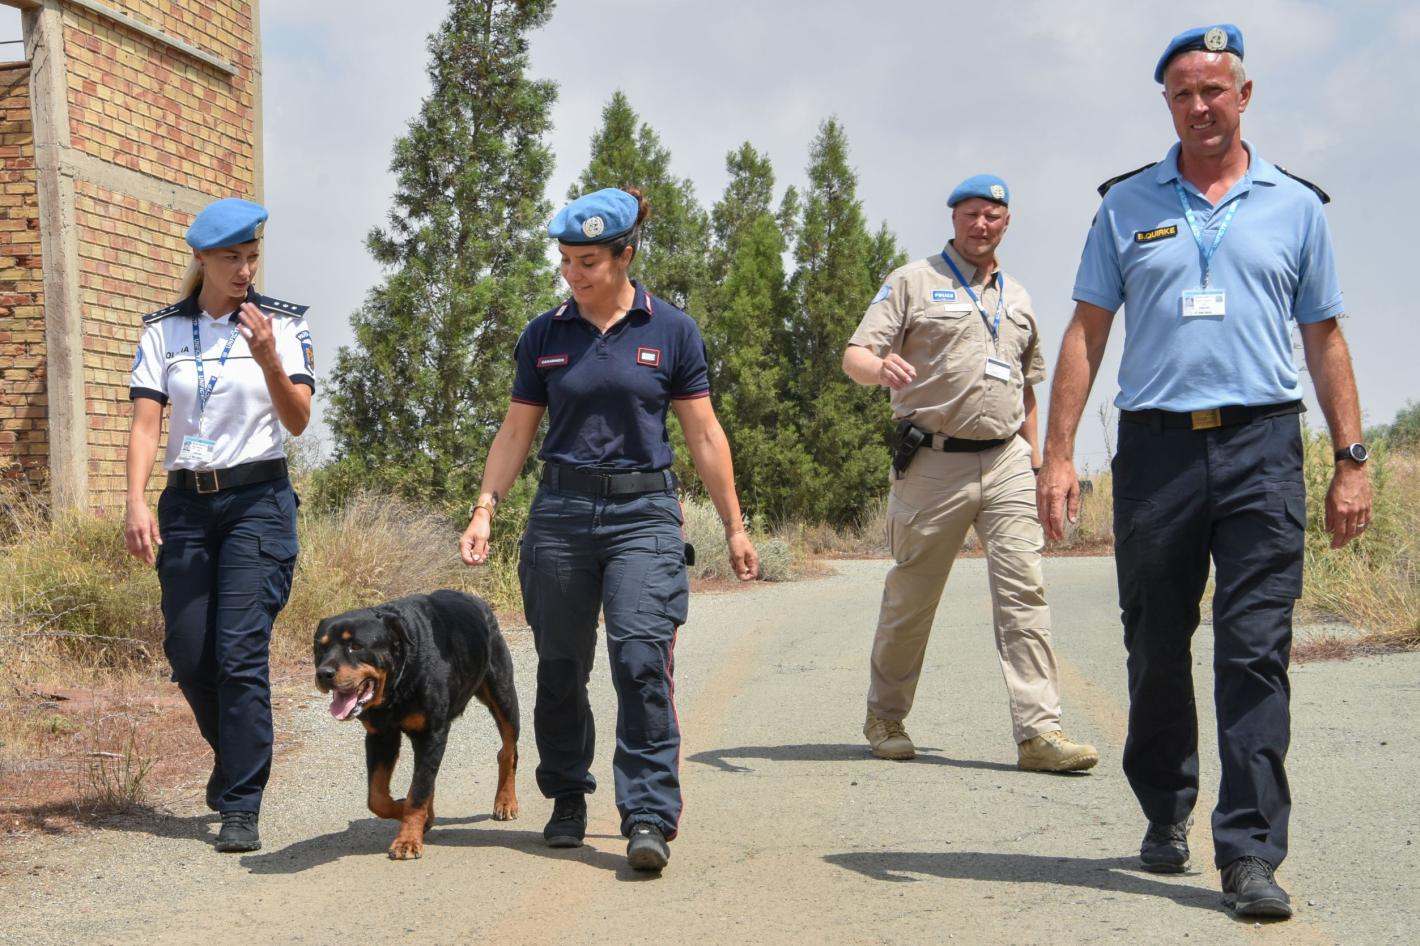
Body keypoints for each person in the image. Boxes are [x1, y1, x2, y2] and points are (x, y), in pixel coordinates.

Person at [1037, 24, 1370, 919]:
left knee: (1254, 650)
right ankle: (1165, 804)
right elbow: (1087, 332)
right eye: (1182, 93)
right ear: (1167, 103)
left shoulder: (1295, 206)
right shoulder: (1125, 205)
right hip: (1157, 453)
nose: (1199, 106)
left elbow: (1324, 338)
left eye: (1214, 90)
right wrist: (1058, 455)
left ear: (1244, 96)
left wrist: (1351, 459)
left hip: (1263, 447)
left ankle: (1250, 851)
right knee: (1155, 642)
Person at [459, 186, 758, 872]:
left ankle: (647, 813)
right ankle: (567, 794)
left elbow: (704, 435)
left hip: (643, 516)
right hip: (561, 516)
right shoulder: (544, 335)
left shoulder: (671, 330)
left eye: (588, 261)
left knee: (640, 658)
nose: (573, 273)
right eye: (566, 260)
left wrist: (735, 527)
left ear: (626, 255)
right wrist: (485, 508)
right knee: (561, 665)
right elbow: (516, 431)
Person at [842, 174, 1098, 774]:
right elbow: (854, 356)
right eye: (971, 214)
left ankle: (1039, 733)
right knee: (912, 597)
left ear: (1007, 222)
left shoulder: (1019, 297)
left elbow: (1027, 391)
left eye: (993, 215)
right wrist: (879, 369)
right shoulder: (912, 281)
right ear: (954, 218)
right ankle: (885, 717)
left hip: (1007, 459)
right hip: (934, 460)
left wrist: (1039, 467)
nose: (981, 225)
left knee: (1024, 592)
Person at [124, 197, 315, 854]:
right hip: (186, 506)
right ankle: (233, 756)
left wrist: (267, 359)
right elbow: (146, 425)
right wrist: (135, 500)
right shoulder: (163, 332)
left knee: (239, 653)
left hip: (257, 502)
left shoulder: (282, 325)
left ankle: (241, 802)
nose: (244, 269)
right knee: (188, 653)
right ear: (201, 258)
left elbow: (298, 421)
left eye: (251, 256)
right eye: (231, 257)